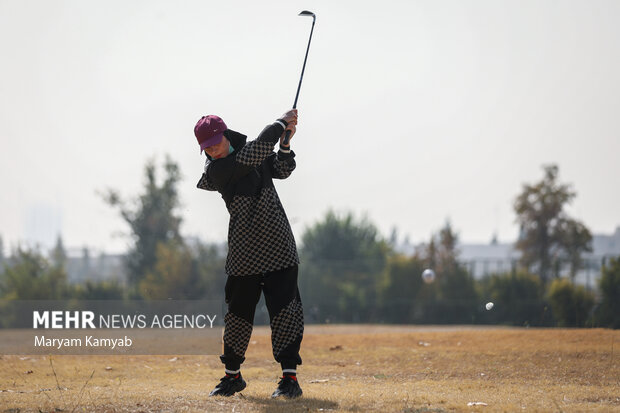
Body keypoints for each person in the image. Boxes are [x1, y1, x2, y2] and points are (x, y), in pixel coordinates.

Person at [194, 110, 304, 399]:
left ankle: (289, 379)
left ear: (225, 135)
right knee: (237, 317)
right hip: (245, 255)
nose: (212, 149)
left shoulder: (252, 154)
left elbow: (281, 170)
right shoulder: (216, 171)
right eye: (206, 146)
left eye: (215, 142)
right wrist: (279, 124)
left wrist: (285, 143)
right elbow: (254, 154)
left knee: (286, 314)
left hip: (279, 247)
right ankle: (232, 377)